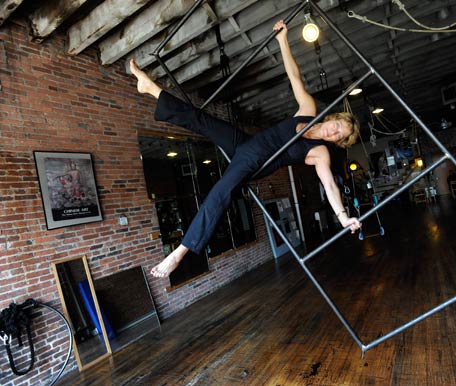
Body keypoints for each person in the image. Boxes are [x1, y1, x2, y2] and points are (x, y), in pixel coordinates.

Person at [130, 20, 362, 278]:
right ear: (333, 118)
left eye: (339, 136)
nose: (334, 132)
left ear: (337, 141)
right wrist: (283, 40)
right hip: (247, 143)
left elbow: (329, 185)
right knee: (202, 120)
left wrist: (343, 217)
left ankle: (180, 252)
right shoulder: (308, 111)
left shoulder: (320, 153)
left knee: (220, 193)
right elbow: (295, 77)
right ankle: (150, 88)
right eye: (338, 126)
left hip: (258, 161)